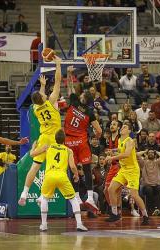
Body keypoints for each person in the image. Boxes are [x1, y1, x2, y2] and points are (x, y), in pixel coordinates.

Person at [18, 56, 62, 206]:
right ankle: (43, 195)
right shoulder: (51, 102)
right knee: (54, 168)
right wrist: (58, 64)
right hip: (55, 139)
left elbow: (38, 98)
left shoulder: (36, 108)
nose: (44, 93)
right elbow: (58, 81)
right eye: (43, 93)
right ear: (44, 98)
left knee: (35, 166)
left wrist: (42, 86)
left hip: (43, 138)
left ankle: (24, 193)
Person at [30, 129, 88, 232]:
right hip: (62, 176)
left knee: (44, 198)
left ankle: (44, 225)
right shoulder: (68, 150)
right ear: (64, 140)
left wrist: (33, 146)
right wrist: (76, 175)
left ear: (55, 139)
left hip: (49, 175)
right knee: (73, 199)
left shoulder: (48, 146)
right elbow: (73, 166)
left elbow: (32, 154)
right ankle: (79, 224)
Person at [65, 66, 103, 210]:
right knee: (87, 169)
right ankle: (90, 197)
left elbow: (69, 86)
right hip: (82, 141)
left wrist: (69, 73)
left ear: (82, 98)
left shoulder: (74, 101)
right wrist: (93, 136)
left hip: (69, 141)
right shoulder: (90, 112)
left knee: (73, 169)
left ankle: (76, 198)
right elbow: (99, 130)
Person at [105, 122, 149, 225]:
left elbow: (126, 154)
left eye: (125, 127)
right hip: (123, 169)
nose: (122, 128)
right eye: (122, 126)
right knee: (111, 189)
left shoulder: (130, 141)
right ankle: (114, 214)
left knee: (134, 195)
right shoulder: (120, 139)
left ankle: (145, 215)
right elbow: (121, 150)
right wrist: (112, 151)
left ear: (129, 131)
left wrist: (112, 157)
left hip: (132, 170)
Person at [137, 149, 160, 215]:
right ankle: (150, 209)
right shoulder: (143, 163)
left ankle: (157, 209)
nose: (151, 154)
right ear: (147, 154)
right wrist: (144, 151)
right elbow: (137, 154)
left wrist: (156, 151)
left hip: (156, 184)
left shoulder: (158, 163)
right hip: (147, 185)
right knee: (149, 190)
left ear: (155, 155)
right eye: (149, 153)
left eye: (152, 153)